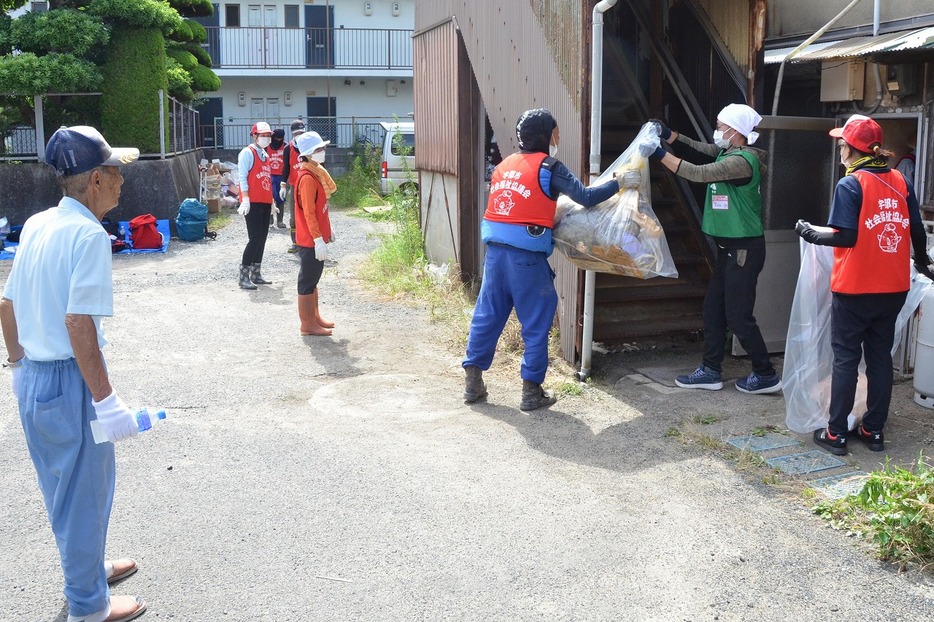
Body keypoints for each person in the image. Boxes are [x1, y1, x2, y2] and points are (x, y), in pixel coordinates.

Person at [0, 126, 147, 622]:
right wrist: (106, 401)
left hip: (36, 380)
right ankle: (88, 606)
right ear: (94, 181)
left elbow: (7, 302)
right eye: (115, 171)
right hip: (69, 383)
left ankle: (88, 571)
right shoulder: (87, 235)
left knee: (64, 489)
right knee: (85, 490)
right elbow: (78, 321)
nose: (122, 180)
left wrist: (19, 366)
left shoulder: (39, 223)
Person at [462, 108, 626, 411]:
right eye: (556, 131)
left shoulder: (504, 165)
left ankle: (473, 384)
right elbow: (586, 197)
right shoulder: (549, 167)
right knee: (536, 323)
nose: (558, 137)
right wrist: (619, 182)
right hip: (526, 260)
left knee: (486, 317)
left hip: (495, 256)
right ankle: (531, 392)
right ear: (546, 135)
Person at [796, 115, 933, 455]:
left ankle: (836, 433)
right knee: (879, 359)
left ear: (852, 150)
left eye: (842, 144)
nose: (840, 149)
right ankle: (873, 430)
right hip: (893, 287)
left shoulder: (850, 184)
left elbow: (847, 236)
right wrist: (921, 261)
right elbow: (916, 227)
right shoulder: (900, 180)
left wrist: (810, 233)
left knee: (845, 359)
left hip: (855, 287)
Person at [642, 104, 781, 395]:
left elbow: (696, 172)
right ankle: (710, 370)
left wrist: (659, 153)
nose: (717, 131)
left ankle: (765, 374)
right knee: (713, 310)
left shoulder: (740, 162)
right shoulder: (727, 153)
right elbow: (698, 150)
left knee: (738, 316)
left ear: (736, 131)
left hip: (744, 250)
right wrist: (669, 135)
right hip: (728, 248)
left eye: (721, 126)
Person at [292, 131, 337, 336]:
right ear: (308, 154)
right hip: (310, 239)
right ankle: (307, 324)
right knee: (308, 279)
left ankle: (314, 317)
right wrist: (318, 239)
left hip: (315, 237)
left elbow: (320, 208)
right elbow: (308, 213)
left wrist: (329, 230)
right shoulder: (308, 178)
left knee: (314, 278)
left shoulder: (315, 172)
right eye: (318, 149)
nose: (323, 151)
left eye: (322, 148)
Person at [237, 121, 275, 289]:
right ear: (255, 136)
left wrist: (272, 202)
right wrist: (245, 198)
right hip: (252, 202)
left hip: (265, 201)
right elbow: (242, 177)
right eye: (263, 135)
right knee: (255, 239)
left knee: (263, 239)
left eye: (268, 135)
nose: (266, 138)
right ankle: (244, 275)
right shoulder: (248, 153)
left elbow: (267, 180)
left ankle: (256, 273)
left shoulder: (265, 155)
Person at [279, 119, 307, 253]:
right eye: (297, 133)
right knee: (294, 215)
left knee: (309, 213)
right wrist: (283, 185)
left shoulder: (309, 145)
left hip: (309, 186)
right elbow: (286, 168)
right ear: (292, 134)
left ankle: (309, 241)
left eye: (302, 132)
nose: (300, 135)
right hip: (295, 186)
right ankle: (295, 242)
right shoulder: (287, 148)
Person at [267, 128, 287, 228]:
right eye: (276, 138)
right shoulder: (267, 146)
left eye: (281, 139)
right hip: (269, 175)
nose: (278, 141)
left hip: (281, 175)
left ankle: (280, 221)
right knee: (270, 196)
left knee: (280, 198)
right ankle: (270, 219)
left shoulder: (286, 146)